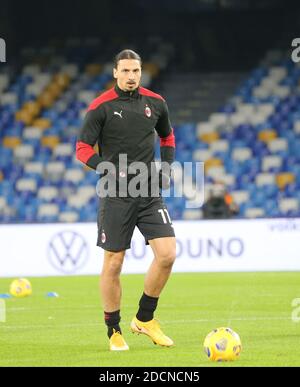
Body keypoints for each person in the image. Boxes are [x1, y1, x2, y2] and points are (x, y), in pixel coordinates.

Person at [76, 49, 176, 351]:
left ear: (141, 72)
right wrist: (108, 168)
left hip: (148, 193)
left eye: (136, 71)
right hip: (115, 195)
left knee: (167, 254)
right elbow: (82, 149)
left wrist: (166, 168)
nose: (131, 76)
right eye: (126, 71)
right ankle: (113, 330)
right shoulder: (101, 107)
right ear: (115, 73)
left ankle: (145, 319)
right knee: (114, 262)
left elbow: (167, 138)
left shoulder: (156, 103)